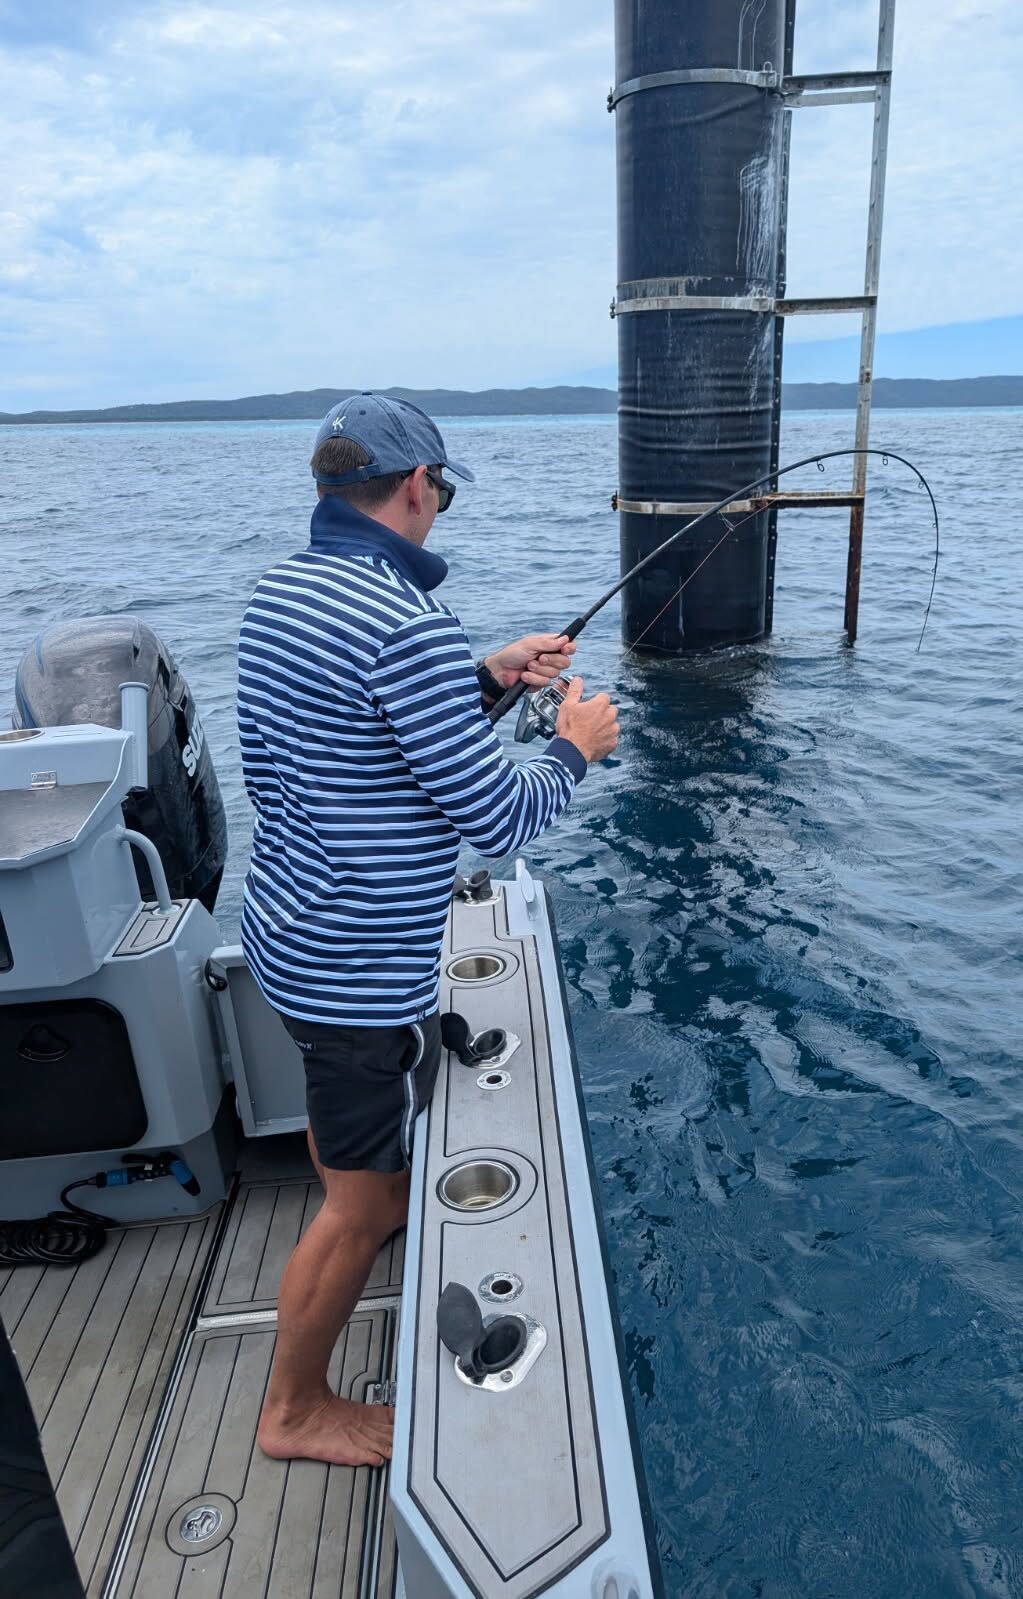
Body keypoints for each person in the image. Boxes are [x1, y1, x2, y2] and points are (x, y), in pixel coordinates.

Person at [237, 392, 619, 1468]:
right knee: (360, 1211)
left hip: (288, 935)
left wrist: (484, 678)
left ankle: (357, 1192)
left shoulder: (283, 592)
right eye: (439, 491)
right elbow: (498, 823)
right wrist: (574, 746)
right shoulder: (403, 622)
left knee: (343, 1132)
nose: (437, 506)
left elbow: (348, 734)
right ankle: (295, 1409)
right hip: (359, 972)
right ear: (416, 488)